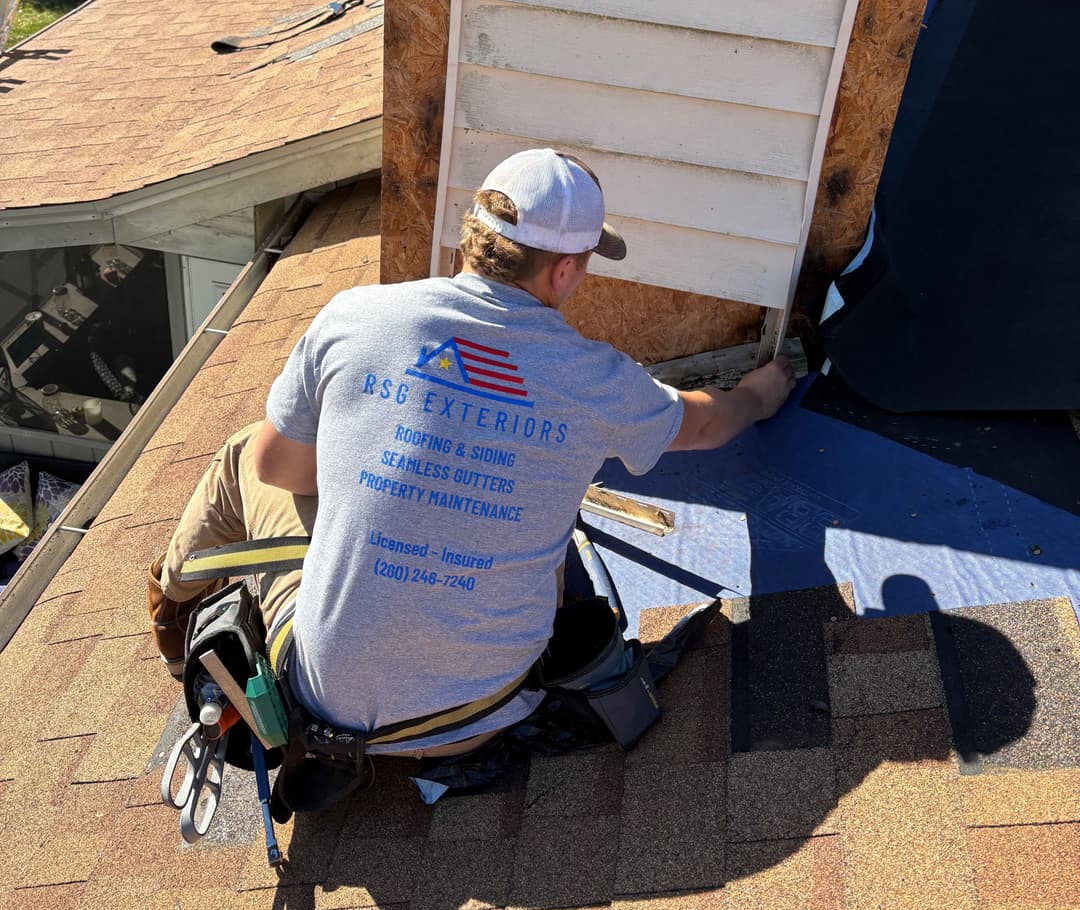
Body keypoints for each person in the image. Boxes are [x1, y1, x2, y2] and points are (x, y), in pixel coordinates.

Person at [149, 148, 795, 758]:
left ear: (472, 237)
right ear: (563, 271)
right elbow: (707, 426)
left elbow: (276, 470)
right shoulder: (598, 381)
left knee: (248, 449)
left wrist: (389, 463)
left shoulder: (355, 317)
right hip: (485, 709)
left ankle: (172, 605)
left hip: (328, 710)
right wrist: (758, 395)